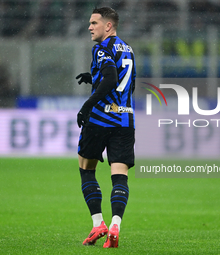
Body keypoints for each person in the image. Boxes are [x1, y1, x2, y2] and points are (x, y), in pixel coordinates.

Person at [76, 7, 136, 248]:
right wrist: (94, 77)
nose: (90, 27)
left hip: (101, 119)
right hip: (125, 120)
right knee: (119, 175)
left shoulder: (102, 48)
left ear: (108, 26)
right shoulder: (128, 49)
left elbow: (111, 77)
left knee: (85, 167)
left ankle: (98, 222)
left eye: (94, 23)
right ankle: (115, 225)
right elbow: (124, 82)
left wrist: (87, 105)